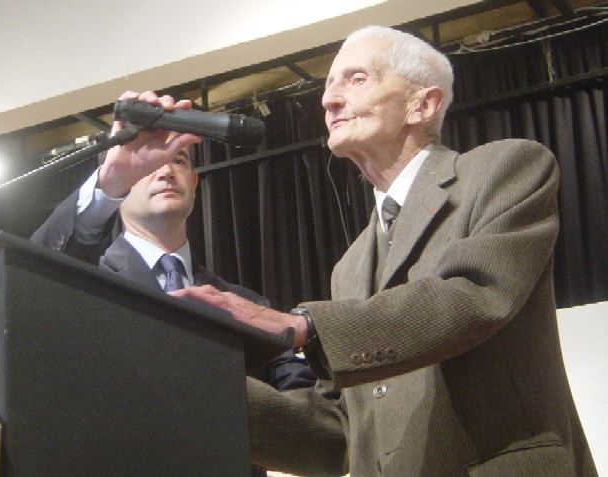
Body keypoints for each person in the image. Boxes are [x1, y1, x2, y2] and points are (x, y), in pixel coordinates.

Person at [172, 26, 598, 477]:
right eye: (328, 85)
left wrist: (304, 325)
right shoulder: (351, 266)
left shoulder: (505, 168)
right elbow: (340, 437)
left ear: (423, 104)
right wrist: (206, 385)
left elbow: (473, 296)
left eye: (356, 79)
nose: (328, 100)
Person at [30, 91, 316, 476]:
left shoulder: (245, 303)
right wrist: (113, 177)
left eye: (177, 160)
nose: (165, 170)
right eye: (150, 164)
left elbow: (302, 403)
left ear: (195, 182)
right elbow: (32, 283)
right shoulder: (86, 286)